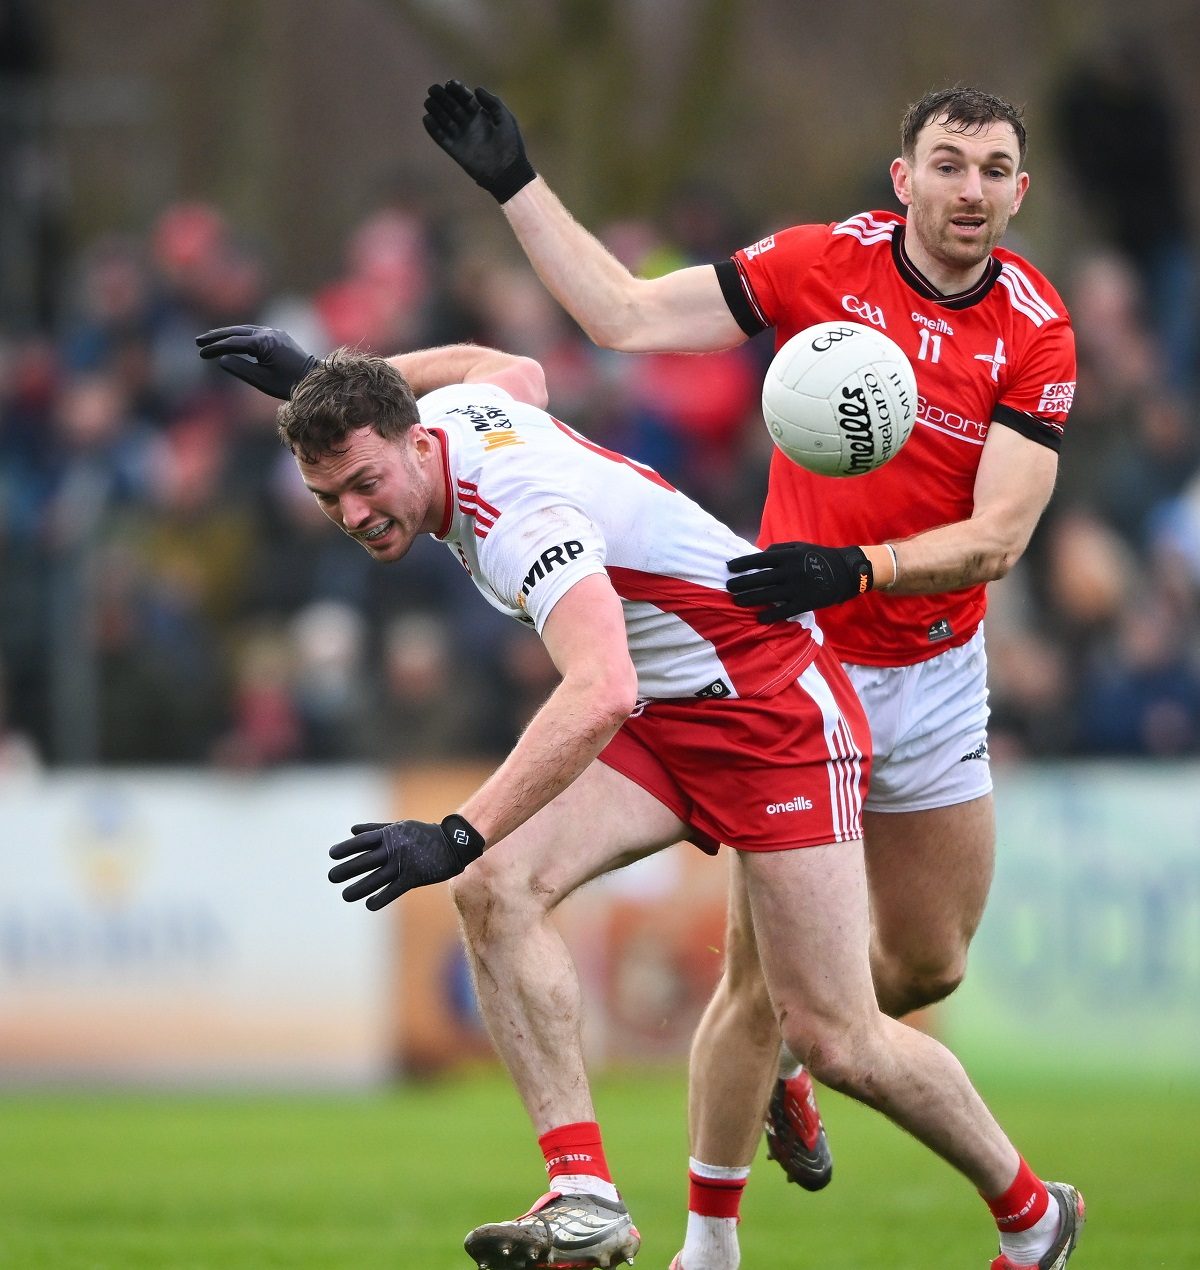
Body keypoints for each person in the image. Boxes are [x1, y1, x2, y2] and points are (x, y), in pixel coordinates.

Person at [197, 324, 1082, 1270]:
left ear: (416, 444)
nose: (355, 512)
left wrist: (460, 828)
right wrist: (326, 381)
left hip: (769, 710)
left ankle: (1035, 1217)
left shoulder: (516, 514)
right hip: (671, 711)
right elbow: (512, 369)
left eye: (365, 483)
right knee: (496, 889)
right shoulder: (444, 418)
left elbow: (600, 690)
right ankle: (583, 1194)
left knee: (837, 1037)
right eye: (328, 496)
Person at [423, 82, 1080, 1270]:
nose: (969, 189)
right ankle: (707, 1245)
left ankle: (811, 1061)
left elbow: (1000, 537)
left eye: (993, 170)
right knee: (759, 982)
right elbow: (621, 315)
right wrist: (518, 184)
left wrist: (856, 565)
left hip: (928, 672)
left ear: (1018, 194)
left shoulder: (1035, 330)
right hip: (786, 658)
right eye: (948, 163)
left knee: (925, 968)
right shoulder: (822, 263)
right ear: (904, 178)